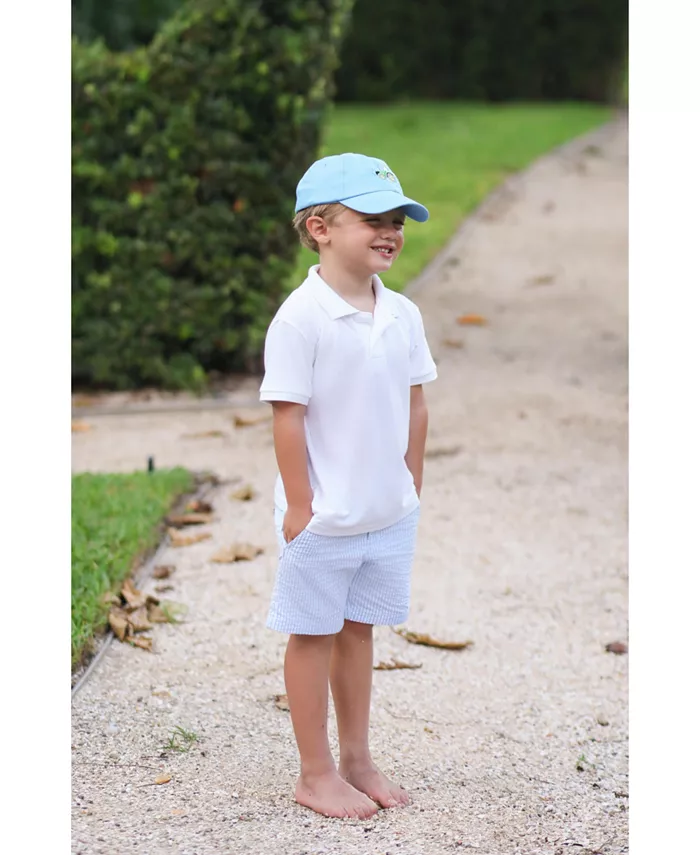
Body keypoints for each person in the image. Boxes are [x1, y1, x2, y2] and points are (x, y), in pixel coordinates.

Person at [259, 152, 438, 819]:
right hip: (326, 515)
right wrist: (300, 505)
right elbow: (287, 415)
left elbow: (416, 403)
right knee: (313, 633)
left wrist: (411, 480)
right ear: (320, 228)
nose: (390, 232)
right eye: (373, 219)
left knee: (359, 630)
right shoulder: (299, 319)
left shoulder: (403, 314)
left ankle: (358, 757)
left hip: (385, 511)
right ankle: (315, 772)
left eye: (398, 221)